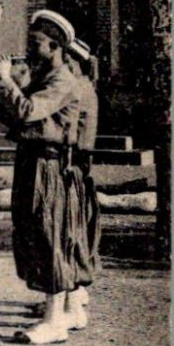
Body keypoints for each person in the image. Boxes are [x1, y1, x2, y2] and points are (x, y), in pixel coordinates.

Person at [0, 11, 84, 344]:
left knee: (48, 235)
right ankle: (54, 313)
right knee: (31, 231)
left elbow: (28, 112)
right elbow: (9, 115)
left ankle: (54, 321)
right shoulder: (43, 77)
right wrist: (5, 83)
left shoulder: (62, 80)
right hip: (32, 160)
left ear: (55, 45)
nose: (29, 48)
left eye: (36, 42)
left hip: (49, 163)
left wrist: (11, 83)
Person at [64, 39, 100, 327]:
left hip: (73, 164)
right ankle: (75, 297)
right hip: (79, 164)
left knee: (71, 232)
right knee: (76, 230)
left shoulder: (76, 87)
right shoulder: (84, 86)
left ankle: (73, 302)